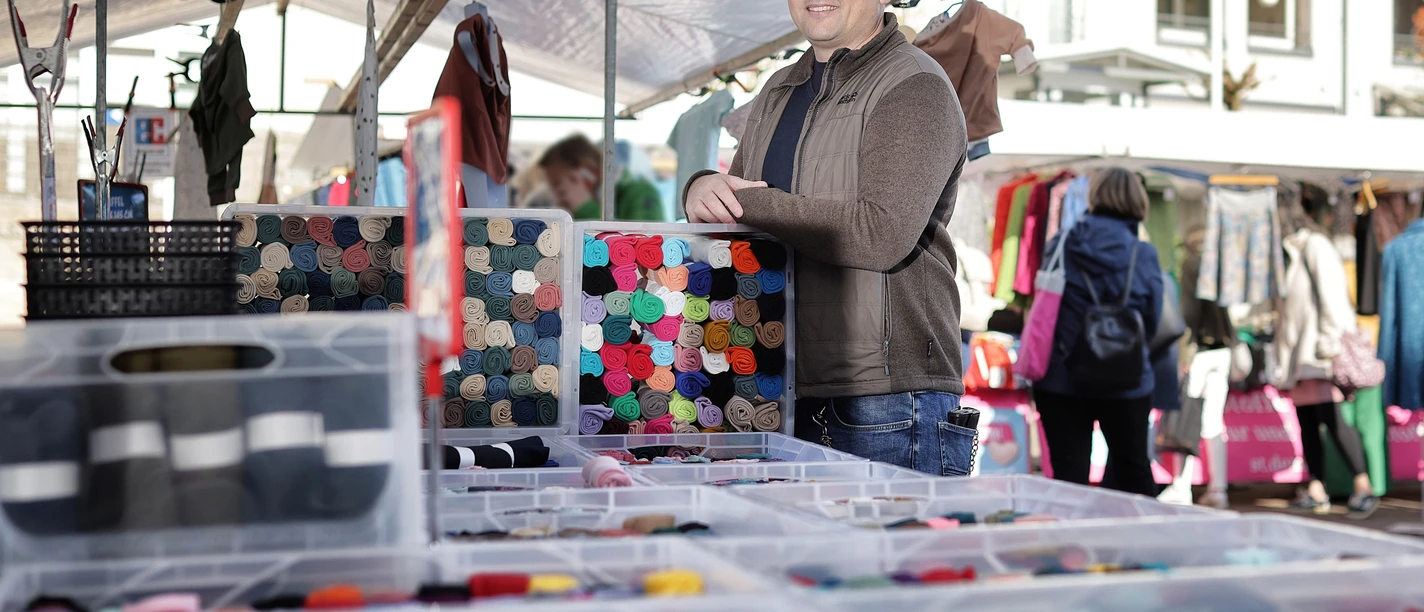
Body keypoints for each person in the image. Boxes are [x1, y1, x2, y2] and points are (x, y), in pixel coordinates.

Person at [683, 0, 968, 475]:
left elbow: (881, 234)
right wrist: (701, 186)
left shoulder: (915, 85)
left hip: (886, 399)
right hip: (778, 387)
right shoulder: (777, 89)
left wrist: (748, 201)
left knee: (885, 550)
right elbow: (740, 217)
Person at [1034, 168, 1163, 497]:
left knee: (1068, 479)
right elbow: (1152, 318)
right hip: (1127, 379)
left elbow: (1045, 306)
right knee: (1133, 472)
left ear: (1094, 196)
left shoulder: (1062, 244)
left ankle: (1073, 547)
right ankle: (1139, 547)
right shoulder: (1143, 254)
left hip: (1063, 378)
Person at [1277, 182, 1378, 518]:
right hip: (1301, 353)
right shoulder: (1293, 247)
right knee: (1308, 421)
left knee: (1332, 419)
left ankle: (1363, 485)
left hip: (1319, 351)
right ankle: (1316, 485)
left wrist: (1331, 344)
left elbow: (1334, 299)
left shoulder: (1316, 245)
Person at [536, 134, 664, 221]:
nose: (557, 195)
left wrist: (584, 205)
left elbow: (644, 241)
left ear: (587, 173)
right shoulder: (583, 205)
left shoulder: (640, 193)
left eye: (558, 184)